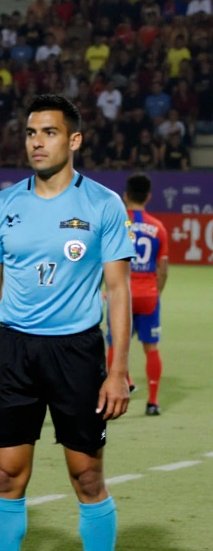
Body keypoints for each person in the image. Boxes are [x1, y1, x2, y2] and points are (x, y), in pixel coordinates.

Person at [0, 95, 132, 551]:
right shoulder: (4, 205)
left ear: (73, 140)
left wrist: (118, 367)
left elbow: (118, 290)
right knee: (7, 474)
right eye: (31, 132)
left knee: (87, 475)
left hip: (78, 354)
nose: (37, 141)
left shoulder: (104, 205)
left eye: (50, 132)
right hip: (15, 353)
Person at [110, 173, 167, 415]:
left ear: (125, 196)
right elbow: (163, 269)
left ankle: (125, 384)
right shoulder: (158, 227)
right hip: (148, 296)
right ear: (149, 197)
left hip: (123, 295)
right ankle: (152, 402)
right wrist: (156, 293)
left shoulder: (120, 224)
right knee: (151, 349)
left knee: (114, 344)